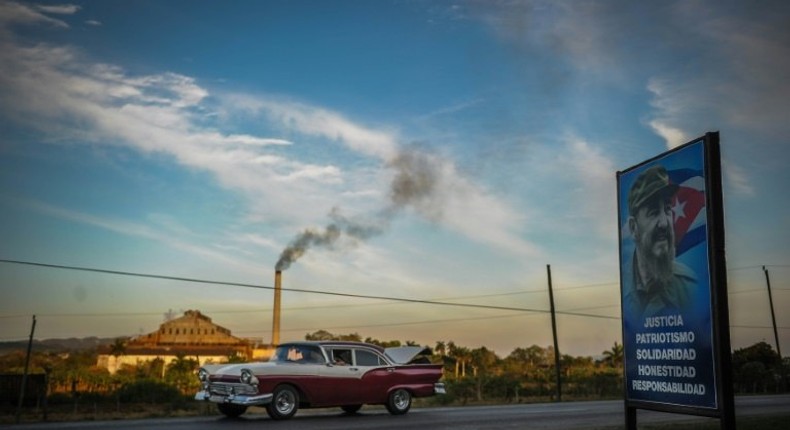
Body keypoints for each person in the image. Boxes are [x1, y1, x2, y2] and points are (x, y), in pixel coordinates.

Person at [622, 165, 696, 319]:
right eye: (653, 212)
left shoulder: (690, 287)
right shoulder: (623, 286)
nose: (664, 222)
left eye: (668, 209)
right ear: (633, 227)